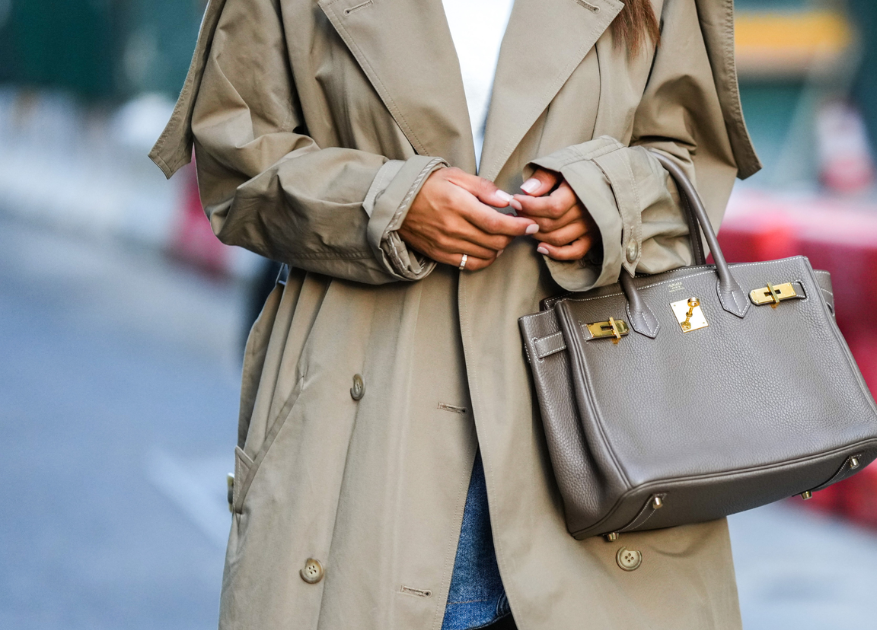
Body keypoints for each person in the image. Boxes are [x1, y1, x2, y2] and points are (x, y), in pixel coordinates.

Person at [149, 0, 760, 627]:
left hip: (597, 435)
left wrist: (606, 200)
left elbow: (689, 155)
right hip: (369, 432)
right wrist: (387, 202)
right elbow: (238, 156)